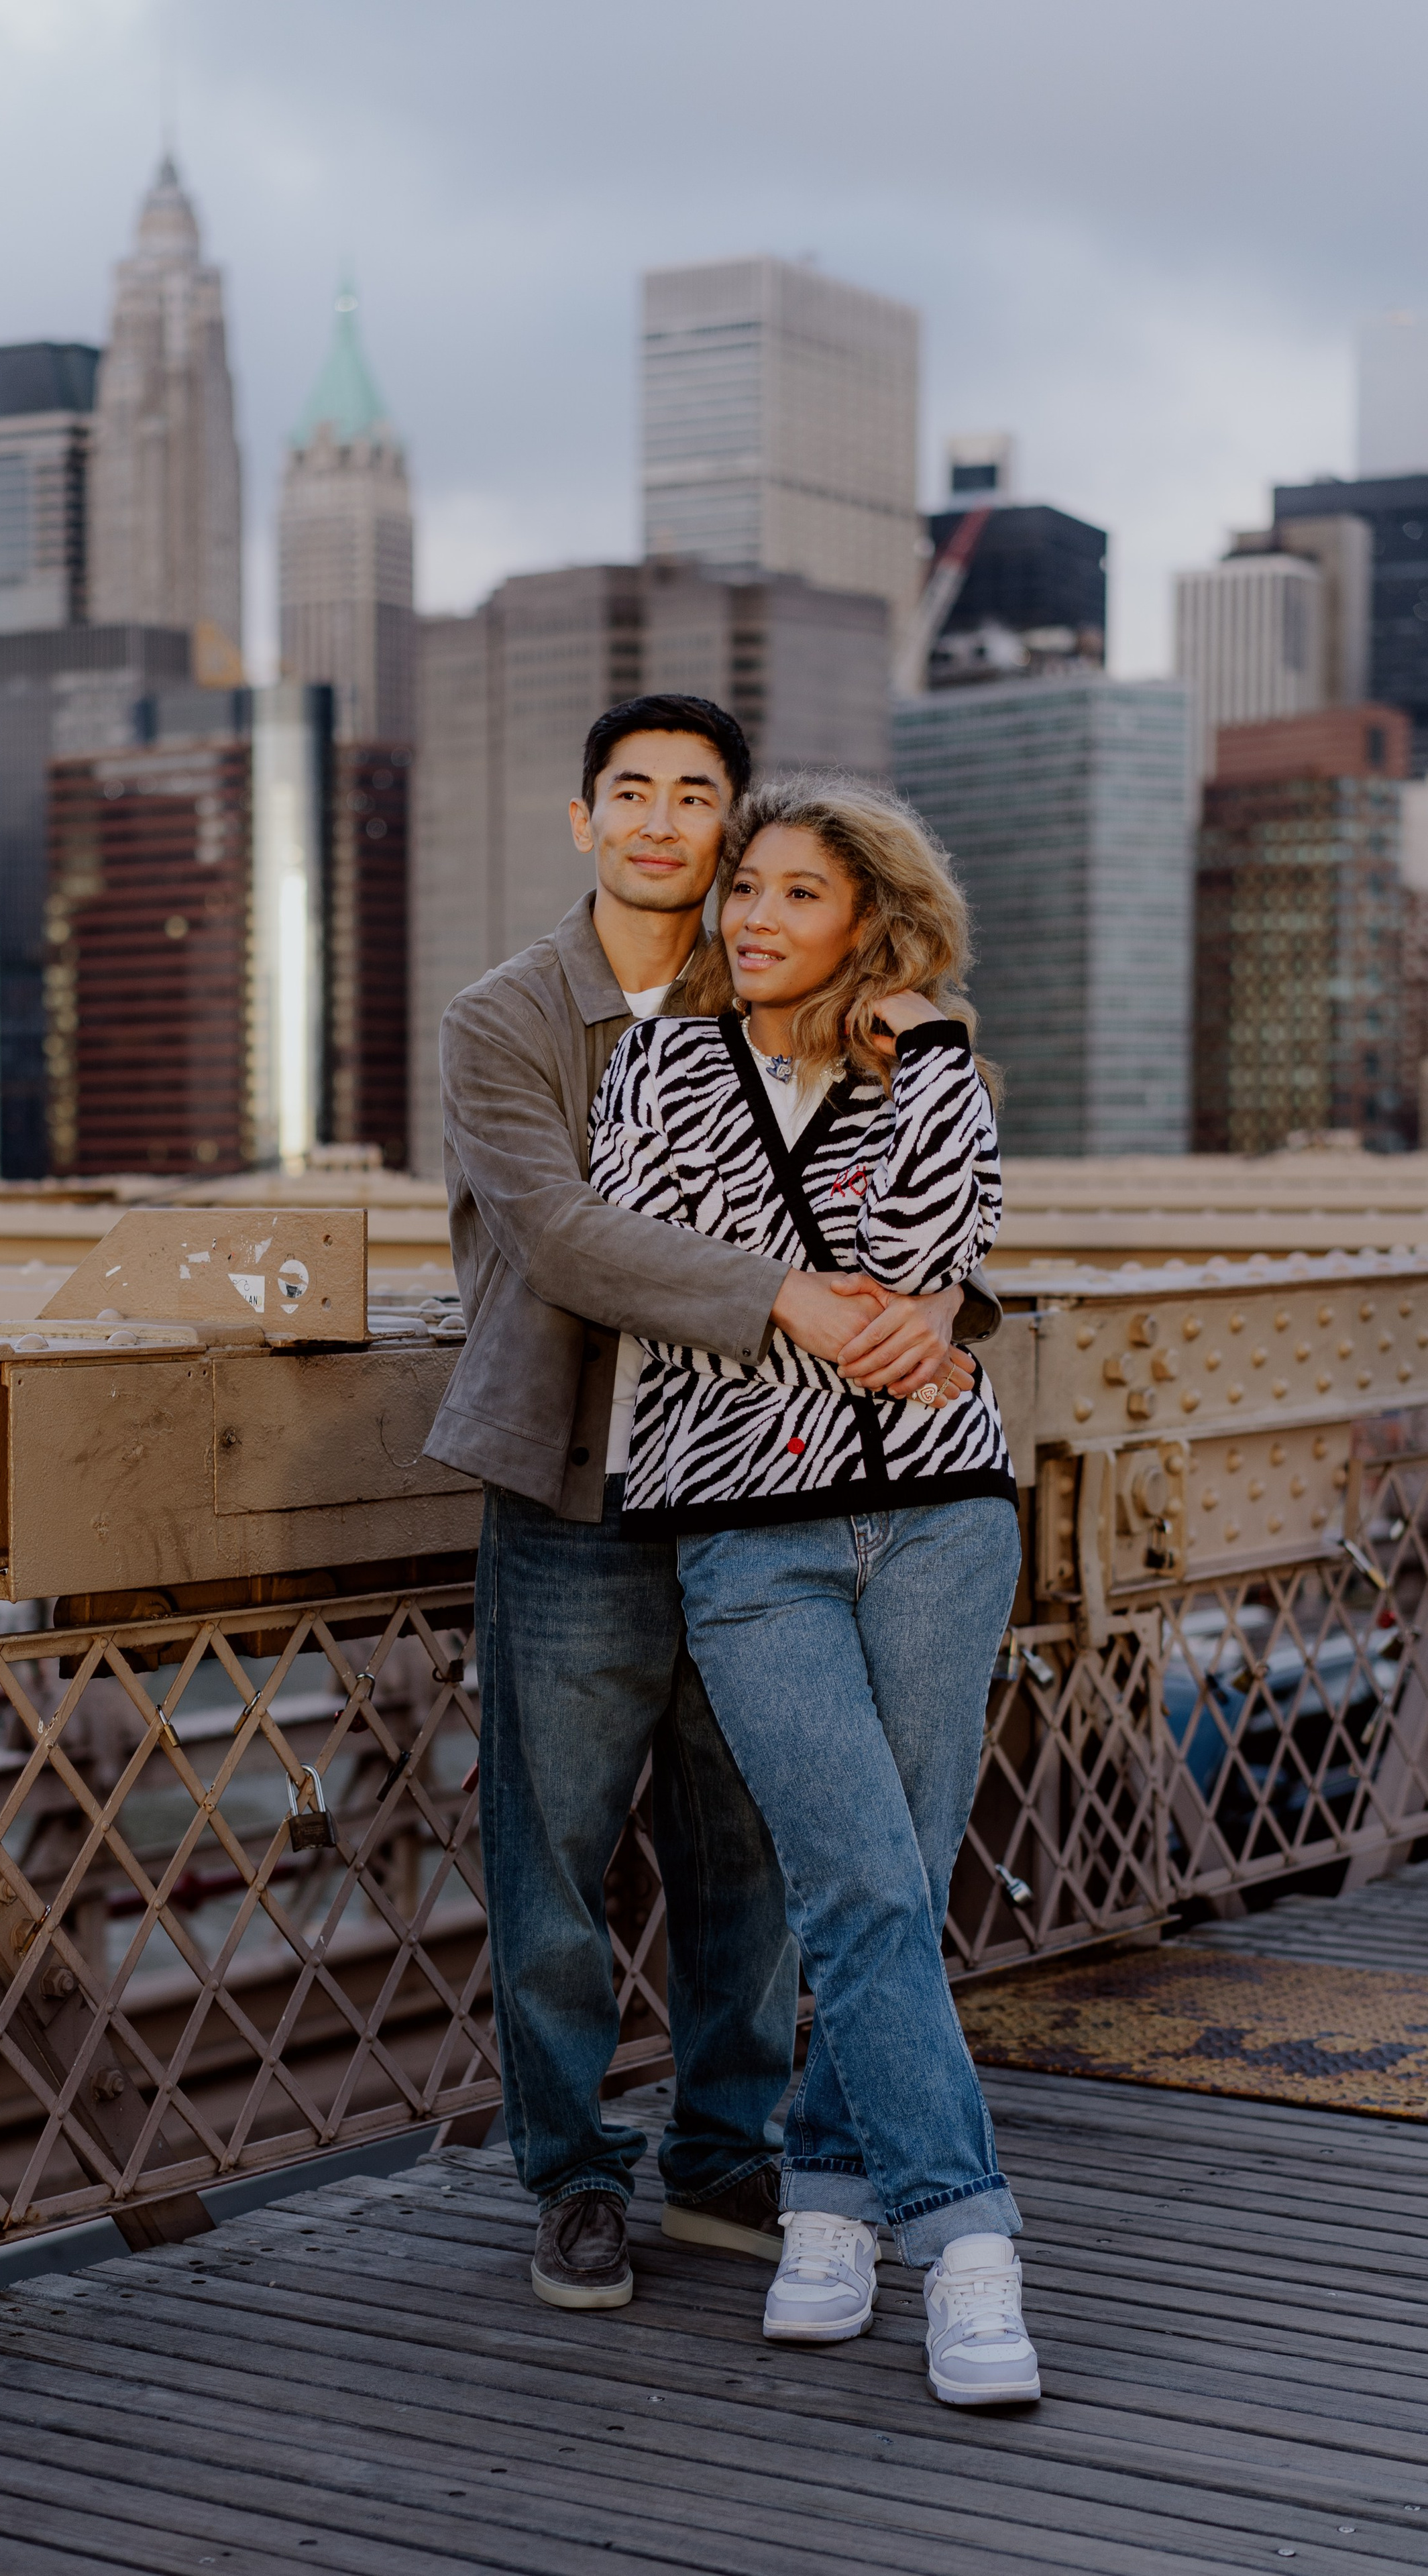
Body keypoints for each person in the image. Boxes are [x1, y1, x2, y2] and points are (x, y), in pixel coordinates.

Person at [426, 695, 1000, 2314]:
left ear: (735, 830)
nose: (663, 825)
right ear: (583, 819)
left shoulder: (792, 986)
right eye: (631, 792)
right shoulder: (505, 1016)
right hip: (577, 1479)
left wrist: (934, 1302)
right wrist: (793, 1302)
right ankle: (571, 2173)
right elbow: (562, 1237)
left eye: (697, 799)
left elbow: (893, 1192)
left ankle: (724, 2147)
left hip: (764, 1485)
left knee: (745, 1841)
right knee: (553, 1845)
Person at [588, 773, 1040, 2407]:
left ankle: (832, 2205)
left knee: (890, 1885)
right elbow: (657, 1252)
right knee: (852, 1878)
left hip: (939, 1514)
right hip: (746, 1529)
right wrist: (816, 1293)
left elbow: (923, 1244)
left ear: (869, 922)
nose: (757, 916)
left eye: (799, 893)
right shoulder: (661, 1061)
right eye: (747, 888)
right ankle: (969, 2243)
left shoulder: (930, 1070)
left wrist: (926, 1053)